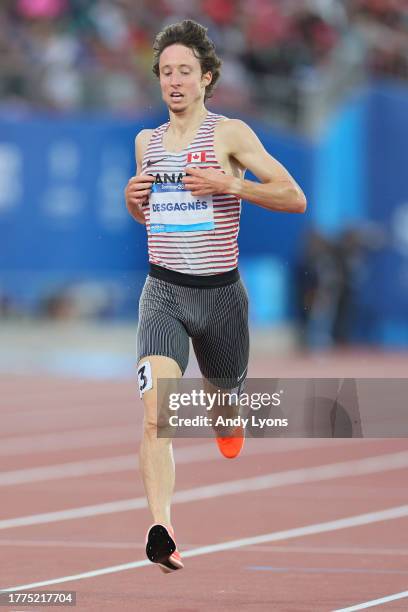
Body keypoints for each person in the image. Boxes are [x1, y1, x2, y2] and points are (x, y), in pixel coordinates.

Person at [124, 19, 306, 574]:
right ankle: (162, 527)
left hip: (221, 299)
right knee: (158, 413)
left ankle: (229, 415)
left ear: (206, 78)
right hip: (163, 294)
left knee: (226, 409)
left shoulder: (231, 135)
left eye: (185, 71)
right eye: (165, 72)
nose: (174, 81)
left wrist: (230, 184)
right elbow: (151, 215)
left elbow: (293, 197)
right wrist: (133, 200)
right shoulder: (146, 143)